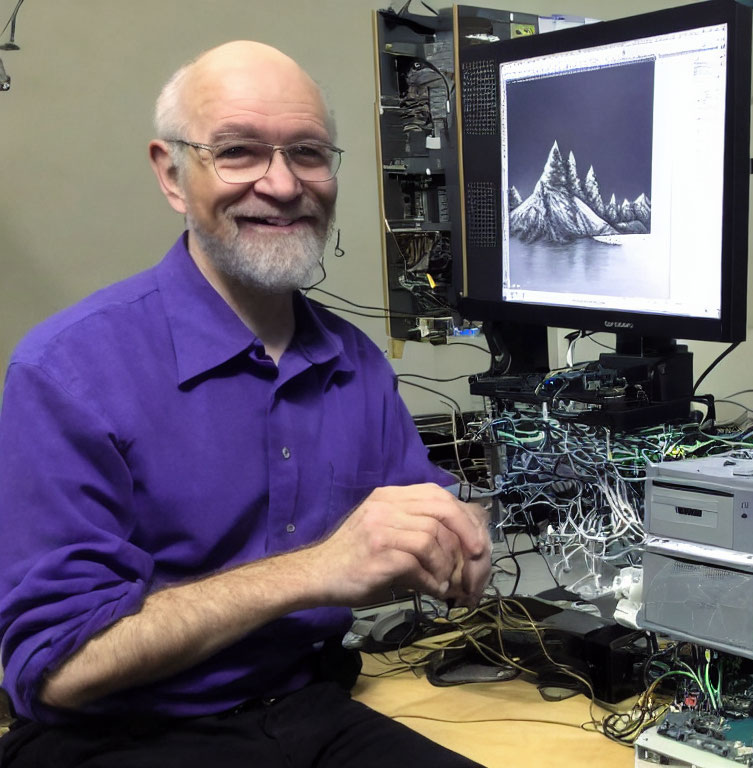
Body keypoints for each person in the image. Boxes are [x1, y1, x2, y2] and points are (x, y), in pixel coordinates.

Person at [0, 41, 491, 767]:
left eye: (308, 152)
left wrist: (459, 537)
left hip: (309, 710)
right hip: (119, 735)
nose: (284, 184)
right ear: (171, 173)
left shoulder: (355, 364)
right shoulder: (66, 371)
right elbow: (55, 668)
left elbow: (427, 509)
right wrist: (317, 569)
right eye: (238, 151)